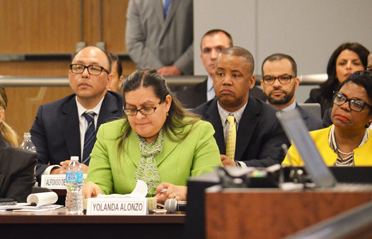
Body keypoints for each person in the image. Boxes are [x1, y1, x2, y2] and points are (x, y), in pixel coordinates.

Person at [82, 69, 221, 203]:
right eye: (131, 109)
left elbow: (211, 189)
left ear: (167, 103)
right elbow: (99, 182)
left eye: (147, 108)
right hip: (123, 224)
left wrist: (185, 192)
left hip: (179, 224)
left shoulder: (198, 132)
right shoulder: (109, 134)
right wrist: (93, 188)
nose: (139, 116)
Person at [30, 46, 124, 181]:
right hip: (62, 198)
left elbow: (135, 169)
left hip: (109, 198)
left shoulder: (126, 112)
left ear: (109, 80)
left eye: (94, 69)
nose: (85, 74)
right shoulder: (48, 115)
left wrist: (92, 172)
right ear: (69, 75)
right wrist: (56, 172)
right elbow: (30, 165)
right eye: (78, 68)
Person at [193, 47, 290, 167]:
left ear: (251, 81)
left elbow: (274, 163)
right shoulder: (195, 119)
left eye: (235, 75)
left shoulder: (274, 120)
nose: (226, 81)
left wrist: (236, 167)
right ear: (213, 78)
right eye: (220, 74)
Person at [284, 71, 372, 166]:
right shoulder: (306, 142)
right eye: (340, 97)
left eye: (357, 103)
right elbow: (285, 179)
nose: (345, 106)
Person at [177, 29, 265, 108]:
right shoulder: (183, 98)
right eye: (207, 50)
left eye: (220, 49)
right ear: (201, 58)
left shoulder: (259, 96)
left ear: (233, 53)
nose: (213, 56)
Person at [261, 53, 322, 131]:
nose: (276, 84)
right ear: (262, 85)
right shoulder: (248, 122)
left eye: (284, 78)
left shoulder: (316, 126)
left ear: (296, 84)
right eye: (269, 79)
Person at [306, 42, 369, 117]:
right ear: (334, 71)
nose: (348, 67)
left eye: (356, 63)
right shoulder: (318, 97)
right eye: (342, 63)